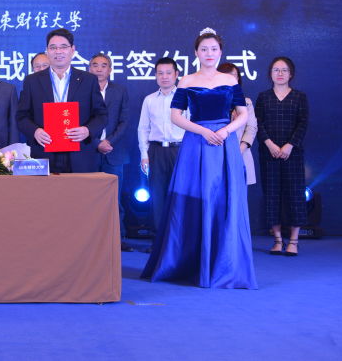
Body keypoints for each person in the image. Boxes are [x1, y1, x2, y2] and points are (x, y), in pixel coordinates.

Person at [142, 28, 257, 289]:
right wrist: (203, 131)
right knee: (193, 200)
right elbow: (176, 116)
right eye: (204, 49)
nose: (209, 53)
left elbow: (243, 114)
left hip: (225, 145)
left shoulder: (230, 81)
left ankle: (225, 265)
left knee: (225, 200)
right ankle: (190, 263)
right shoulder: (187, 81)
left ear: (220, 52)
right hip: (196, 143)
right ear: (196, 53)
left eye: (214, 49)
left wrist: (226, 131)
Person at [16, 28, 107, 173]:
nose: (58, 52)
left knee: (80, 189)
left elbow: (101, 115)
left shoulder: (88, 80)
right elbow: (21, 116)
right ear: (47, 51)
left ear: (72, 50)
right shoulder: (32, 81)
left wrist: (87, 130)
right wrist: (35, 131)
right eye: (53, 47)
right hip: (44, 152)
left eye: (63, 47)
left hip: (80, 152)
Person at [255, 57, 309, 257]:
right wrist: (269, 144)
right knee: (272, 195)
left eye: (284, 70)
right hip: (268, 153)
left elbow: (302, 123)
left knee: (295, 195)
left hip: (292, 154)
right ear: (270, 74)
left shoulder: (299, 97)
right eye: (276, 70)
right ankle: (277, 240)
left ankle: (294, 241)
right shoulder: (263, 97)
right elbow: (257, 124)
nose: (280, 73)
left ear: (291, 74)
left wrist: (289, 145)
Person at [137, 57, 186, 238]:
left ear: (176, 74)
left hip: (179, 150)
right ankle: (159, 240)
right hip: (156, 151)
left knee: (179, 195)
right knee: (157, 196)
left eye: (168, 73)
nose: (164, 77)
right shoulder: (149, 100)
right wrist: (144, 154)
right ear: (156, 76)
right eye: (160, 73)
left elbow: (192, 127)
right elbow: (143, 129)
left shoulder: (185, 98)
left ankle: (178, 239)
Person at [89, 53, 132, 252]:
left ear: (110, 69)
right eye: (95, 65)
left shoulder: (120, 91)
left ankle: (118, 238)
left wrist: (108, 141)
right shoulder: (82, 91)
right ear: (89, 68)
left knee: (115, 198)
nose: (99, 69)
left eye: (103, 65)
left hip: (114, 152)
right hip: (89, 151)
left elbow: (124, 121)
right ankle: (91, 240)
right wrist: (96, 142)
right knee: (90, 198)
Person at [218, 62, 258, 186]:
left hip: (241, 154)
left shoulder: (246, 103)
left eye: (234, 75)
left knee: (239, 192)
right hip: (217, 154)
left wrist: (239, 150)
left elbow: (251, 128)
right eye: (227, 75)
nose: (231, 78)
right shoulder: (211, 102)